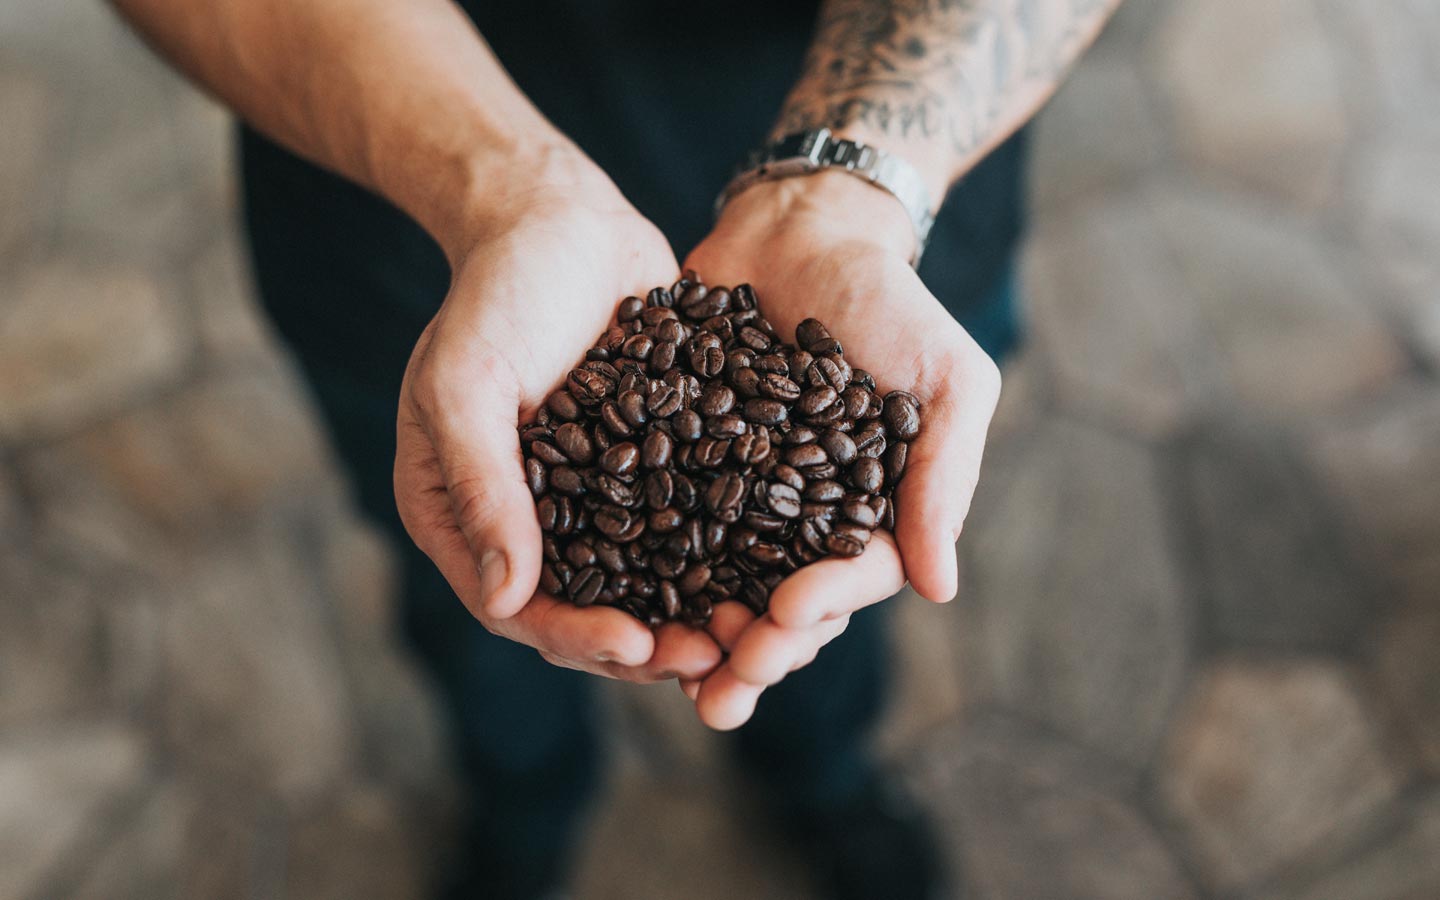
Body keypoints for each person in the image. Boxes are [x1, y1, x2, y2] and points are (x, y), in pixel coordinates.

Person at [111, 1, 1121, 897]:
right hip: (405, 187)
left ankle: (823, 782)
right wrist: (501, 189)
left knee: (824, 612)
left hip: (888, 217)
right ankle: (522, 814)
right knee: (486, 595)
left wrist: (850, 192)